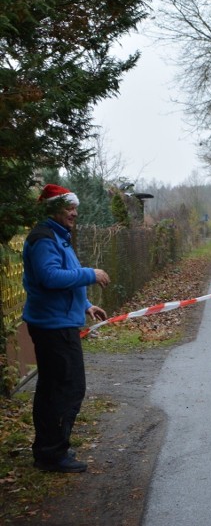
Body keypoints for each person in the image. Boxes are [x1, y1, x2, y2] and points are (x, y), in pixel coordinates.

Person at [22, 184, 111, 472]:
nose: (74, 213)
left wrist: (85, 305)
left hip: (61, 323)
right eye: (69, 208)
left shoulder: (59, 237)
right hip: (53, 327)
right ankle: (52, 454)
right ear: (53, 209)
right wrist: (90, 274)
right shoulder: (44, 239)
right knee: (64, 390)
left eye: (75, 208)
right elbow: (50, 276)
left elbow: (64, 276)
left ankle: (50, 450)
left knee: (58, 388)